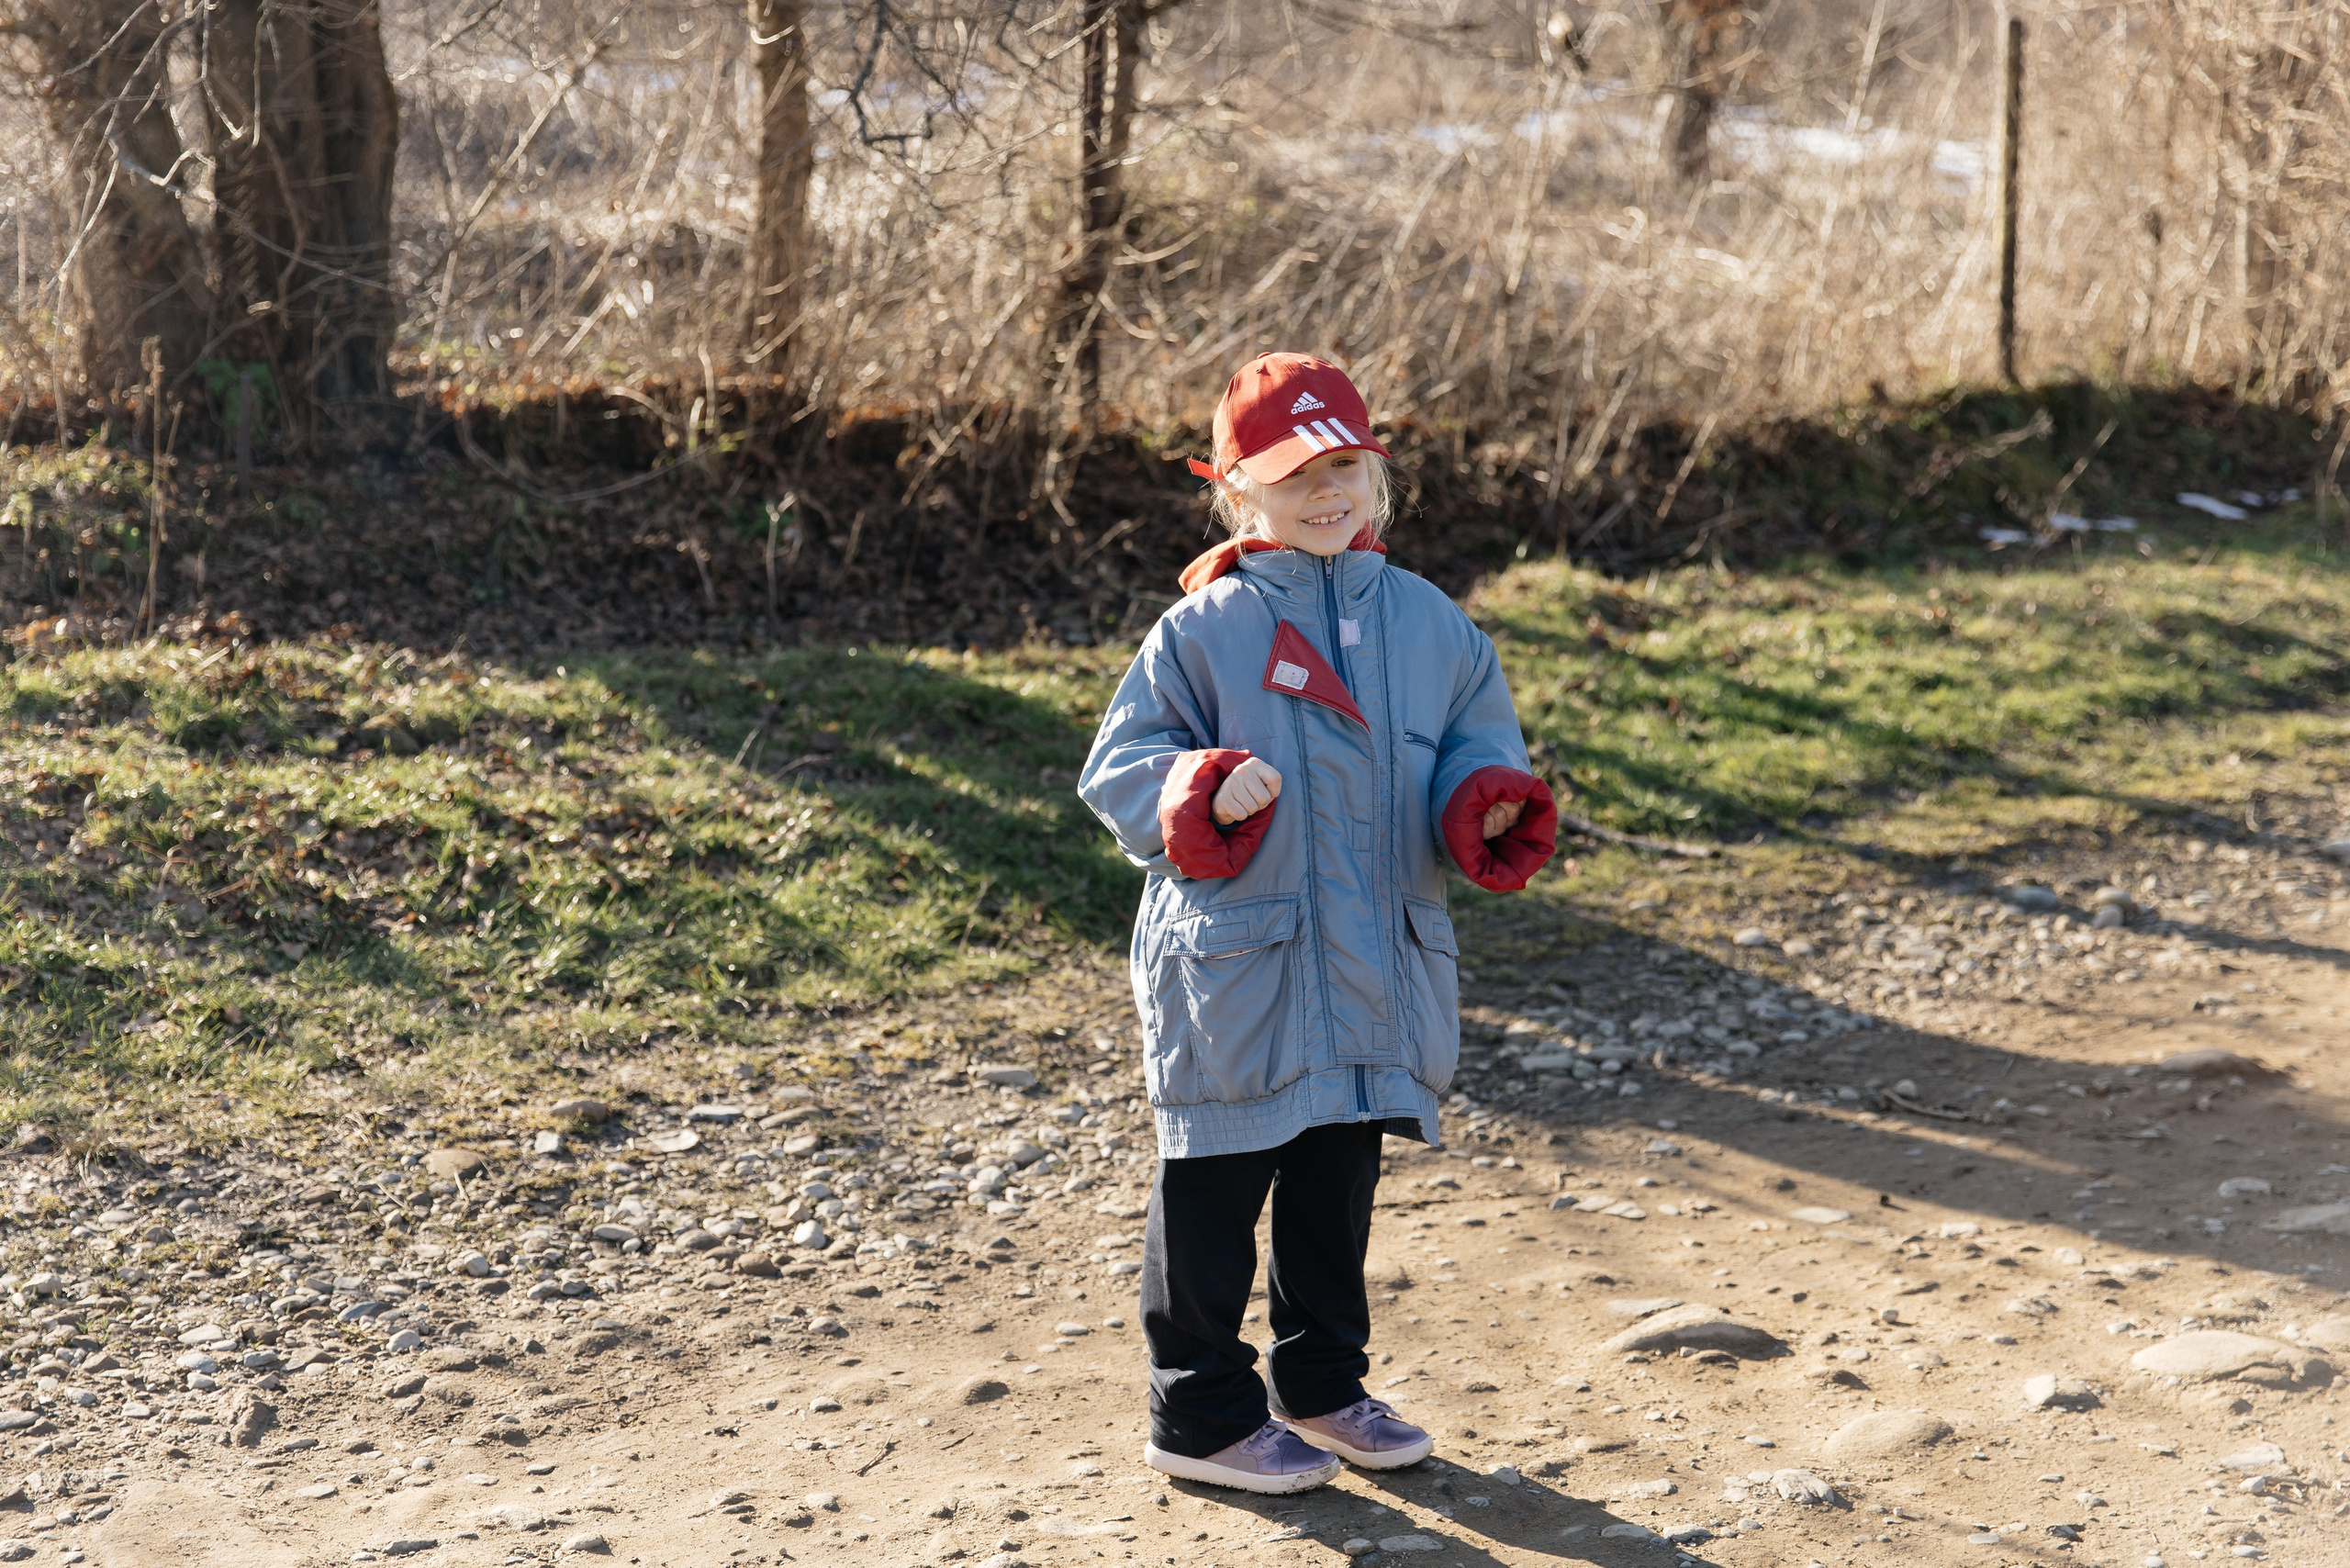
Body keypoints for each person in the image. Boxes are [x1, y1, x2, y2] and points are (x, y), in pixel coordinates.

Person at [1077, 353, 1558, 1495]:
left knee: (1338, 1179)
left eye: (1343, 466)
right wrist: (1198, 783)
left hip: (1373, 954)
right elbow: (1121, 765)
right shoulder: (1203, 629)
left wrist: (1482, 798)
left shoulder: (1432, 625)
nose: (1324, 491)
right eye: (1294, 474)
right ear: (1239, 489)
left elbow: (1477, 741)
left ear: (1375, 476)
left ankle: (1323, 1384)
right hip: (1245, 961)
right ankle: (1197, 1413)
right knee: (1215, 1178)